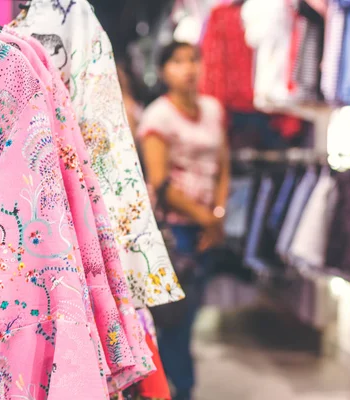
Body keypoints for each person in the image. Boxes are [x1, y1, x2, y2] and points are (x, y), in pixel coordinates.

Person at [138, 41, 230, 400]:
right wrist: (208, 219)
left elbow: (223, 165)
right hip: (174, 229)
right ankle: (179, 389)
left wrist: (217, 215)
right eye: (177, 61)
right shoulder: (158, 116)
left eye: (193, 59)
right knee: (174, 318)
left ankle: (179, 386)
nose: (188, 68)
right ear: (164, 71)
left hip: (206, 226)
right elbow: (161, 181)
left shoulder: (213, 109)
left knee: (191, 315)